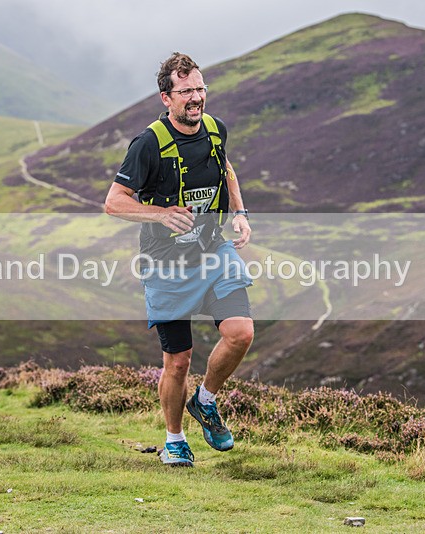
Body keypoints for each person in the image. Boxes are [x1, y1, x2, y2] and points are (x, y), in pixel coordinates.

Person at [105, 52, 254, 467]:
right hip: (166, 263)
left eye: (200, 89)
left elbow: (225, 167)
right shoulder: (148, 143)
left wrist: (240, 212)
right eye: (186, 91)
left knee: (241, 333)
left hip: (213, 250)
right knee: (178, 362)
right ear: (166, 98)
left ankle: (205, 401)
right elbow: (114, 202)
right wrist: (159, 214)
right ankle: (175, 440)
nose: (196, 98)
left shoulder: (215, 129)